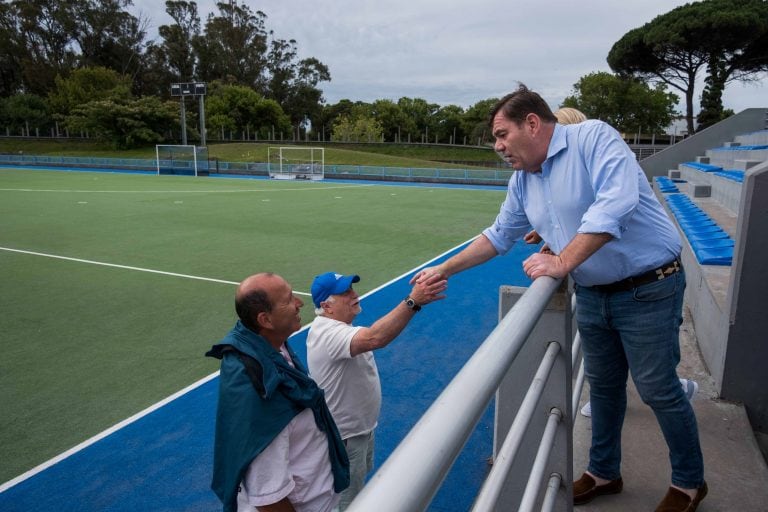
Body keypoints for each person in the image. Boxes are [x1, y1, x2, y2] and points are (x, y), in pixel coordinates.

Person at [412, 84, 706, 512]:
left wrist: (561, 260)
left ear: (532, 123)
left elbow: (614, 206)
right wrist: (443, 268)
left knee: (658, 388)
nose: (497, 146)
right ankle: (605, 472)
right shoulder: (522, 181)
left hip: (649, 287)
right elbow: (499, 236)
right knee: (603, 388)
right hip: (592, 291)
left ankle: (689, 483)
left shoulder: (594, 138)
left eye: (501, 134)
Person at [519, 107, 701, 420]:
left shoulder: (596, 152)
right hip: (604, 284)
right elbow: (573, 211)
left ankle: (675, 390)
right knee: (615, 372)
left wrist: (561, 249)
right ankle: (622, 421)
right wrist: (552, 232)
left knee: (654, 382)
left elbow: (600, 210)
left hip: (645, 279)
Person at [206, 272, 349, 512]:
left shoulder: (267, 346)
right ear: (265, 320)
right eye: (289, 299)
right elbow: (269, 499)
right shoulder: (261, 396)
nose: (300, 303)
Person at [306, 271, 447, 510]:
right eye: (345, 293)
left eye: (351, 289)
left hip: (358, 432)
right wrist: (412, 302)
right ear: (326, 306)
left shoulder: (338, 328)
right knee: (346, 503)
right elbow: (376, 338)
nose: (354, 295)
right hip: (345, 439)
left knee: (355, 490)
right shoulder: (327, 333)